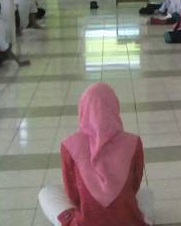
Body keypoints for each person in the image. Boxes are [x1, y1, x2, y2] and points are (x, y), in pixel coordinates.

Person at [39, 83, 150, 226]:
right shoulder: (133, 142)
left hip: (85, 222)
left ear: (83, 109)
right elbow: (135, 184)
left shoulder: (69, 145)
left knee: (46, 193)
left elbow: (72, 193)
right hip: (128, 221)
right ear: (115, 107)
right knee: (146, 195)